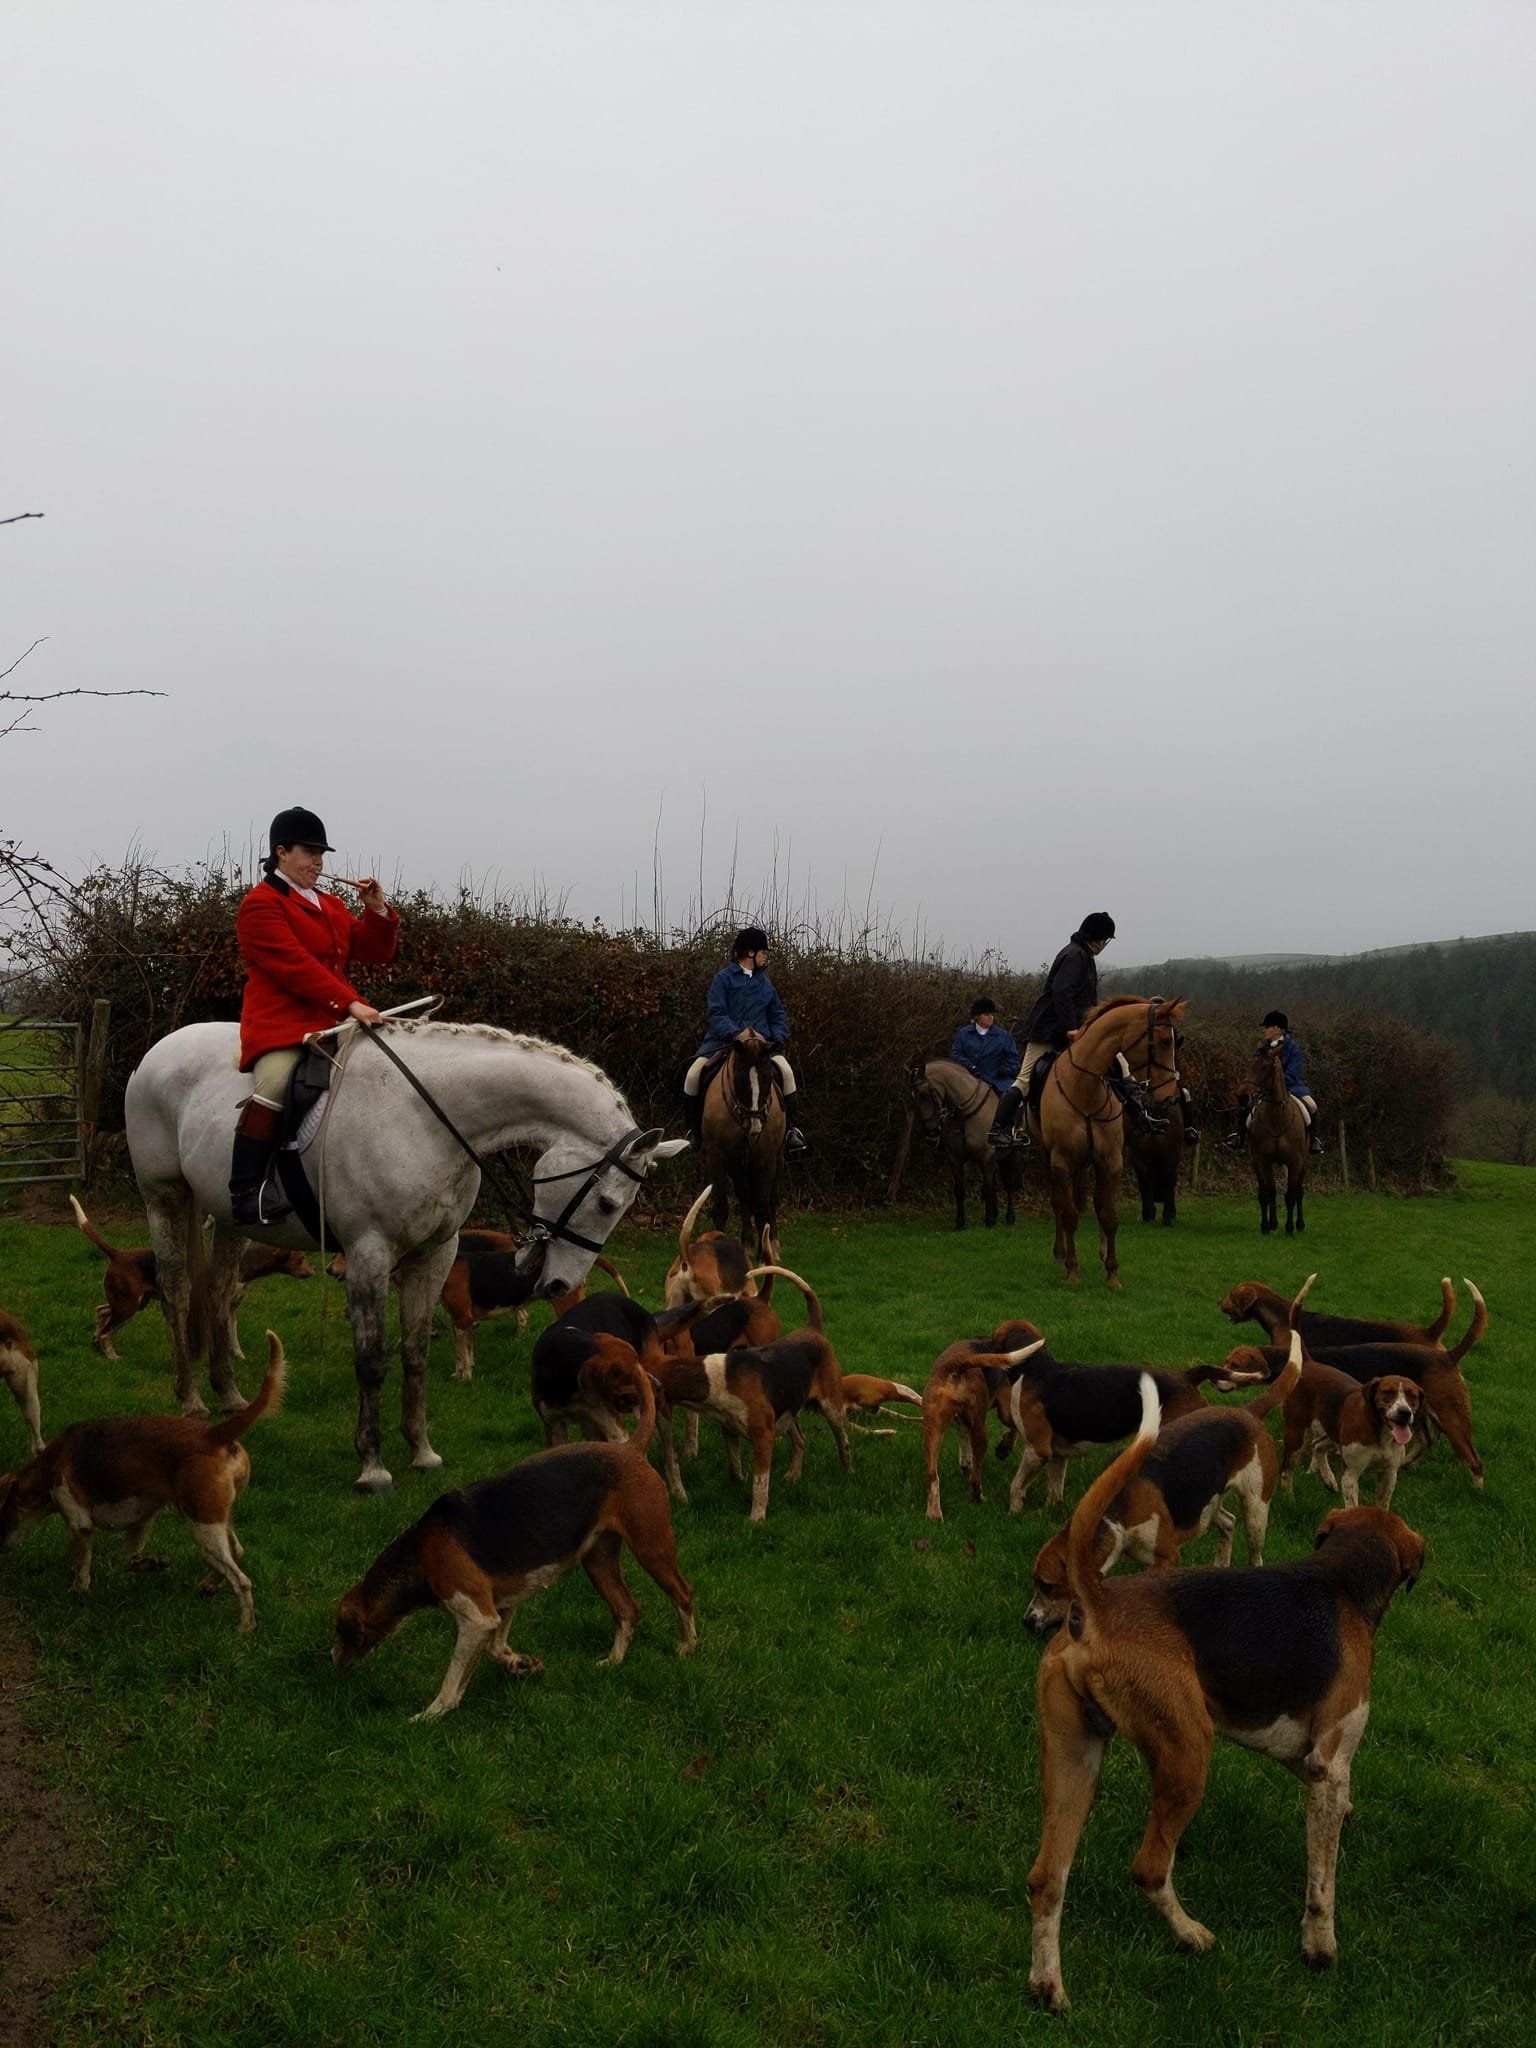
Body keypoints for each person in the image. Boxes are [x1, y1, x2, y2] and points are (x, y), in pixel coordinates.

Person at [231, 806, 400, 1224]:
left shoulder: (329, 903)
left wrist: (376, 910)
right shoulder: (260, 905)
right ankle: (246, 1193)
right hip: (281, 1024)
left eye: (322, 853)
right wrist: (350, 1003)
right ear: (281, 852)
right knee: (275, 1083)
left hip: (334, 1021)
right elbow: (294, 966)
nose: (319, 862)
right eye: (310, 852)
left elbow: (375, 951)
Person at [987, 912, 1167, 1146]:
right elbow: (1062, 992)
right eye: (1105, 940)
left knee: (1119, 1063)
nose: (1104, 945)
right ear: (1097, 938)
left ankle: (1140, 1116)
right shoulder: (1074, 955)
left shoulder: (1084, 955)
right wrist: (1070, 1028)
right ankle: (997, 1129)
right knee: (1024, 1079)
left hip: (1077, 1029)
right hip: (1048, 1029)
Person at [683, 926, 807, 1156]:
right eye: (763, 952)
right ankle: (694, 1132)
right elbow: (717, 1013)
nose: (766, 956)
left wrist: (778, 1037)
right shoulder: (723, 979)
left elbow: (777, 1014)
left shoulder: (765, 984)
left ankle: (791, 1131)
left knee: (787, 1073)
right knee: (692, 1075)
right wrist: (736, 1034)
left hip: (762, 1046)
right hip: (723, 1042)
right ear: (750, 953)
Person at [1226, 1009, 1324, 1156]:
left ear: (1278, 1029)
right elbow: (1256, 1066)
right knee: (1247, 1106)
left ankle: (1314, 1140)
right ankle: (1239, 1137)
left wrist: (1278, 1081)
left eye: (1267, 1027)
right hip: (1265, 1088)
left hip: (1292, 1087)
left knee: (1312, 1105)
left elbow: (1294, 1071)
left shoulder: (1292, 1047)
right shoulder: (1263, 1047)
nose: (1264, 1030)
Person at [950, 995, 1023, 1111]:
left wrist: (1007, 1069)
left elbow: (1014, 1057)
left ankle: (1011, 1127)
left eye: (992, 1015)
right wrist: (970, 1066)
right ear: (977, 1017)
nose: (991, 1018)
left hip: (996, 1079)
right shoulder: (964, 1033)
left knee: (1015, 1100)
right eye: (987, 1015)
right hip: (969, 1077)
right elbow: (956, 1054)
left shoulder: (1003, 1035)